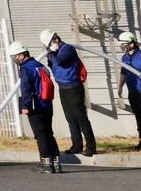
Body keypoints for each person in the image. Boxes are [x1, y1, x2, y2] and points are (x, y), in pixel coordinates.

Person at [40, 29, 96, 156]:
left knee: (81, 118)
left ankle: (91, 146)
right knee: (70, 118)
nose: (49, 47)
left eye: (49, 44)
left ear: (55, 39)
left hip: (74, 88)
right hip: (63, 88)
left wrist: (50, 54)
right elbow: (52, 65)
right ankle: (77, 145)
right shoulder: (54, 52)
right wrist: (50, 55)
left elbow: (60, 61)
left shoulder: (67, 49)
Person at [9, 42, 59, 174]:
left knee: (40, 135)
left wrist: (25, 106)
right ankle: (56, 163)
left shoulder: (26, 68)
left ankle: (46, 163)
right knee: (49, 133)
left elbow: (26, 88)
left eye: (15, 56)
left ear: (21, 55)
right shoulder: (39, 65)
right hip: (47, 104)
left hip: (35, 105)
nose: (14, 59)